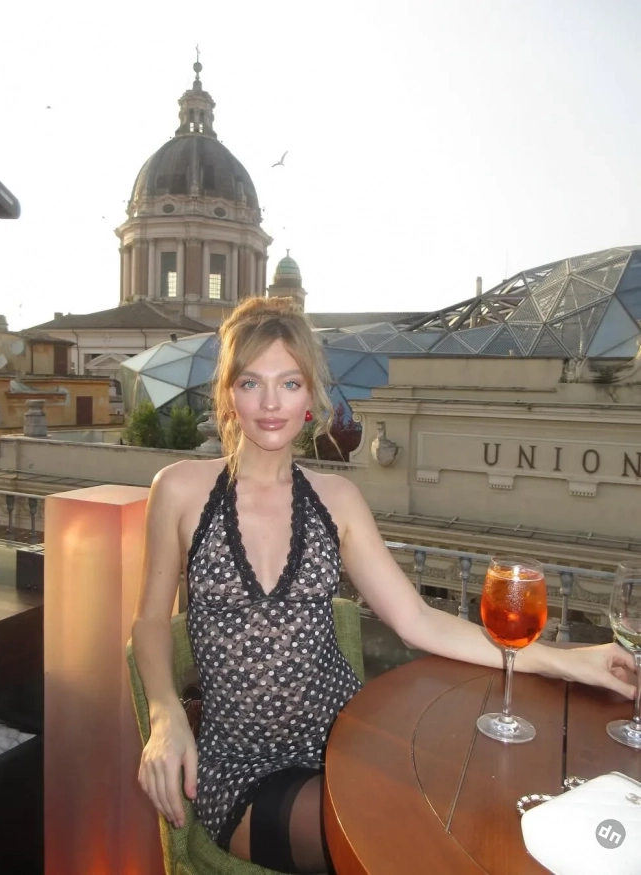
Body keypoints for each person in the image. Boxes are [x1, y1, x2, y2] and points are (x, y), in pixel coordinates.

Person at [132, 297, 637, 875]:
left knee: (485, 800)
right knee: (398, 841)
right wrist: (165, 711)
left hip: (350, 736)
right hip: (245, 767)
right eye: (252, 382)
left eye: (289, 383)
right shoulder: (179, 489)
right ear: (228, 395)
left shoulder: (337, 500)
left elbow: (416, 619)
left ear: (310, 396)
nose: (271, 403)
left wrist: (569, 662)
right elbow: (149, 620)